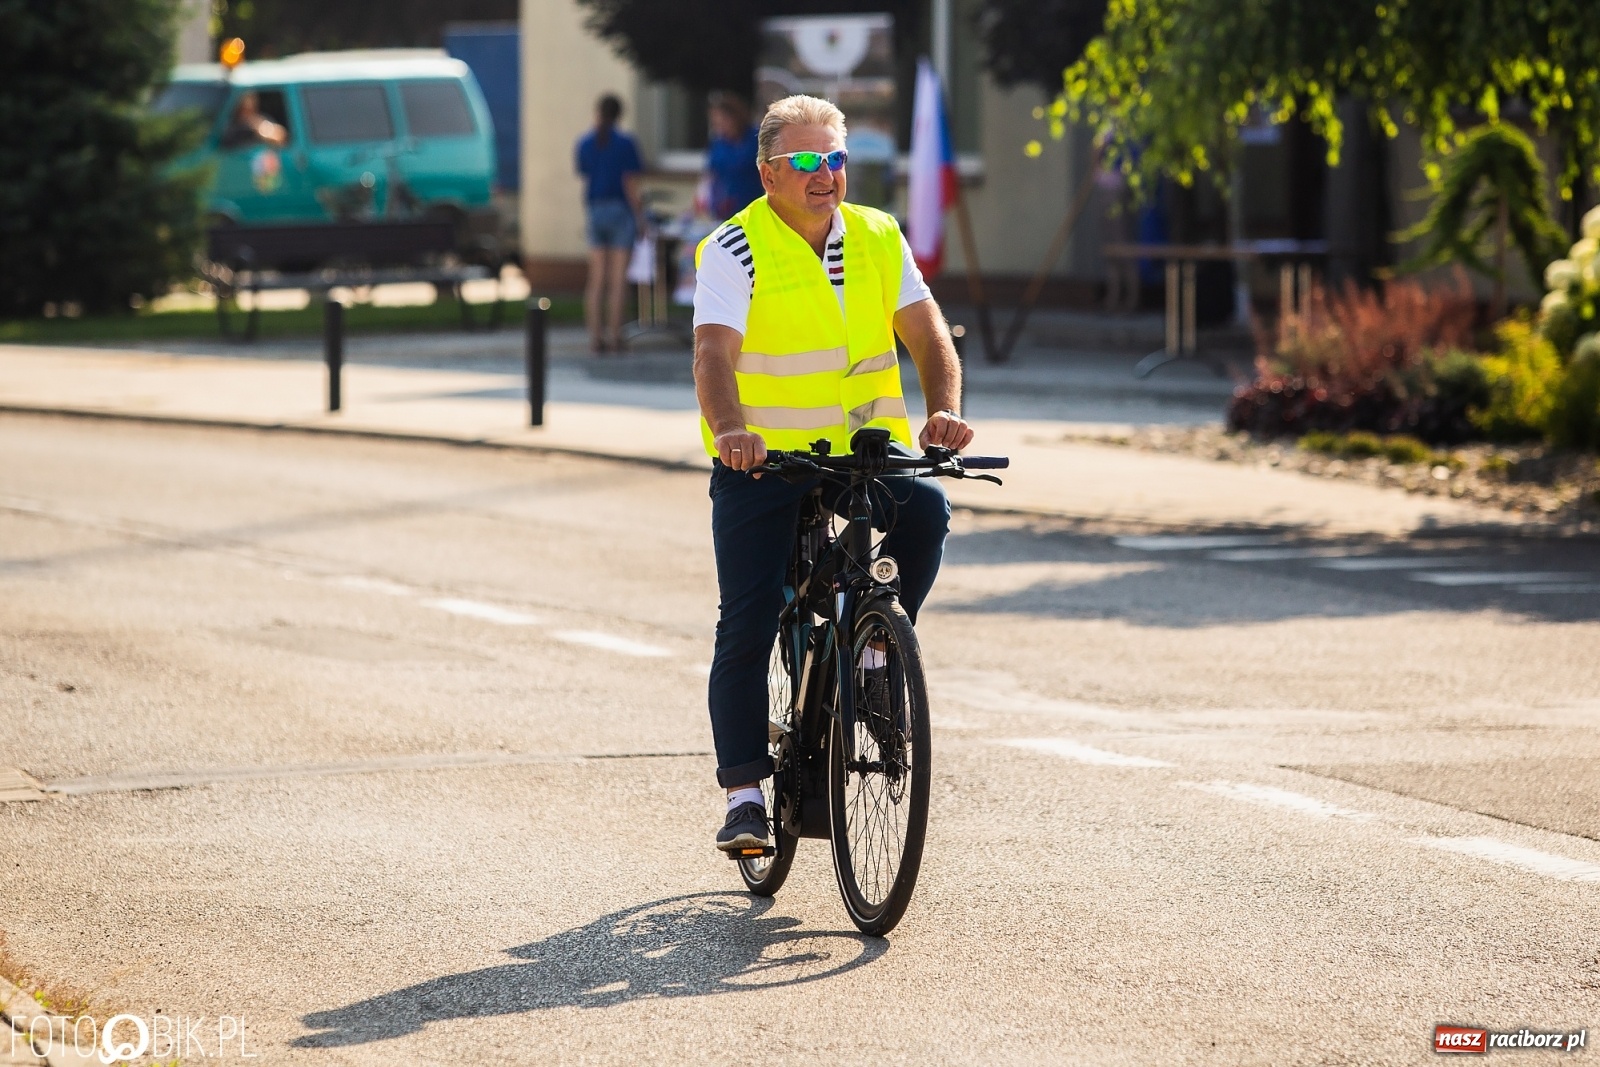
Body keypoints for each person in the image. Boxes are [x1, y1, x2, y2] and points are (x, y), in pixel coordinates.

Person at [692, 94, 974, 853]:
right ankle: (746, 794)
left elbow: (928, 334)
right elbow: (714, 354)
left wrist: (943, 410)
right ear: (768, 173)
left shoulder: (881, 236)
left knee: (928, 512)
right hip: (766, 461)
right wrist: (731, 432)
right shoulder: (734, 247)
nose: (826, 175)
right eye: (808, 161)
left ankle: (878, 649)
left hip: (865, 451)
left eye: (837, 159)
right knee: (747, 622)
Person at [575, 94, 643, 353]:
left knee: (596, 279)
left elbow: (585, 175)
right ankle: (615, 336)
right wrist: (639, 216)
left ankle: (595, 337)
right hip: (619, 209)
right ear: (619, 115)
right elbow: (629, 183)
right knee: (617, 280)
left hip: (595, 208)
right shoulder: (625, 143)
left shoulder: (585, 142)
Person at [703, 92, 763, 222]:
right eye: (715, 122)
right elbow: (711, 173)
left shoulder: (755, 139)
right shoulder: (718, 143)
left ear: (735, 118)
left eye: (723, 120)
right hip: (722, 211)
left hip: (751, 208)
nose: (719, 126)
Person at [220, 91, 288, 149]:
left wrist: (262, 132)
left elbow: (281, 136)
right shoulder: (231, 125)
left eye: (250, 109)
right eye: (244, 109)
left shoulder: (260, 120)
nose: (247, 114)